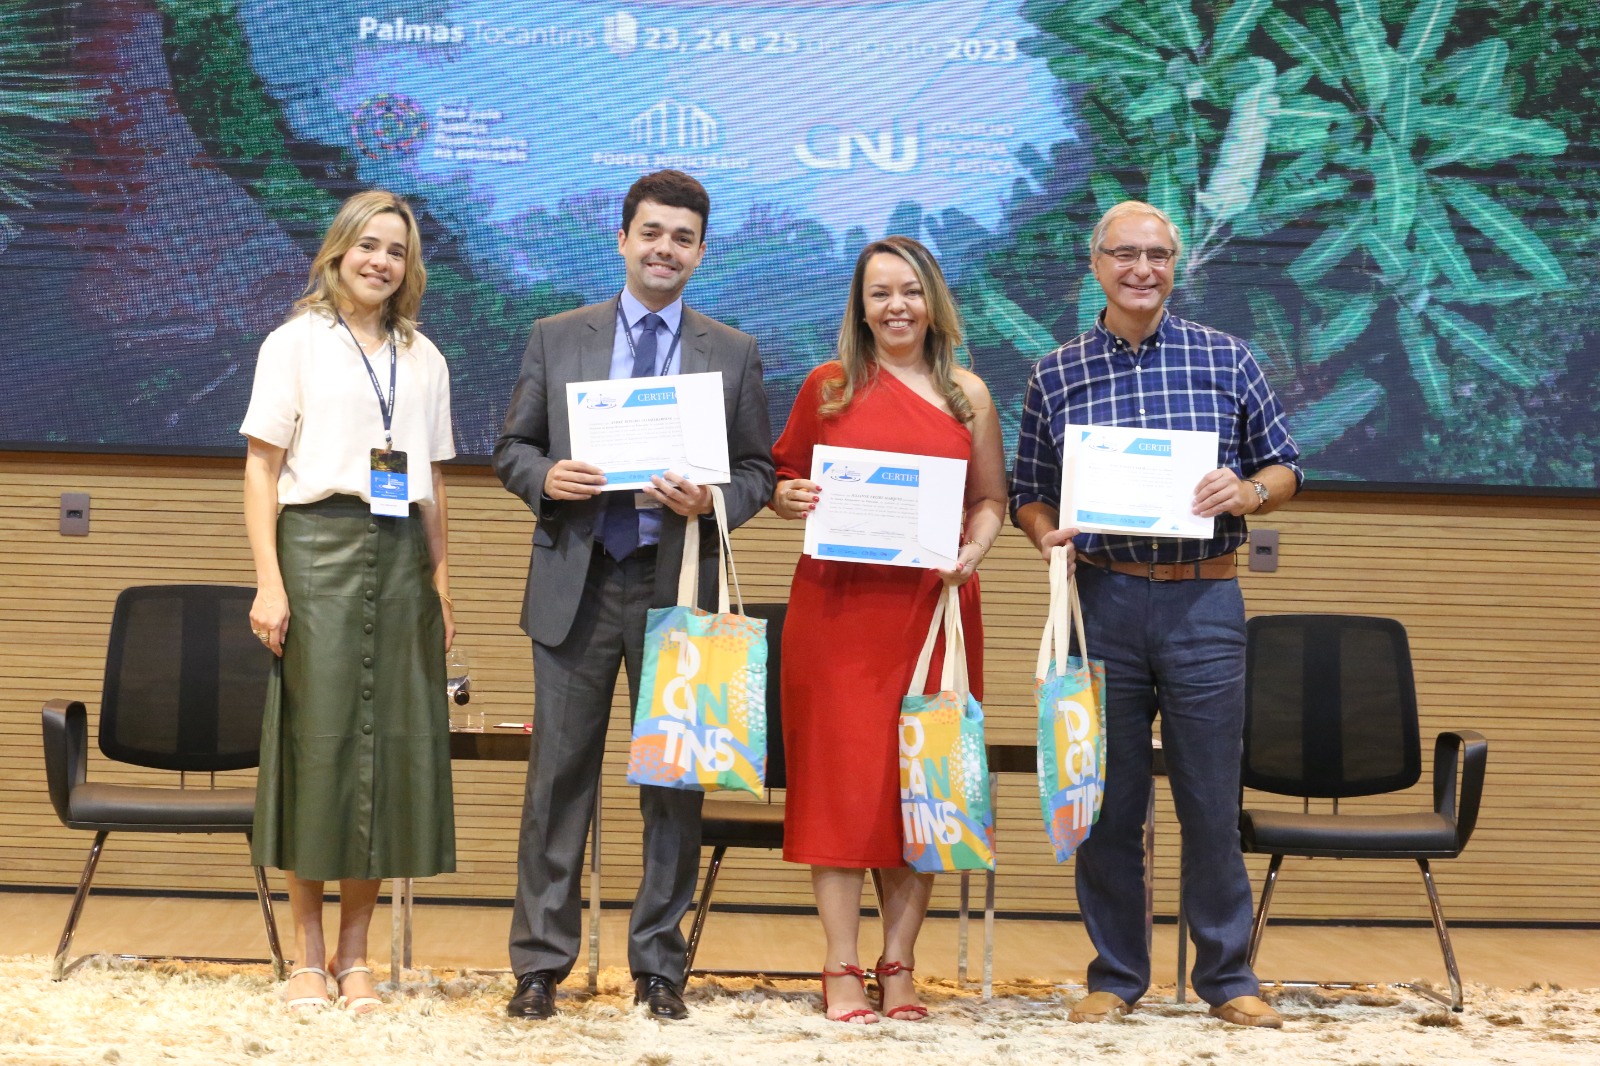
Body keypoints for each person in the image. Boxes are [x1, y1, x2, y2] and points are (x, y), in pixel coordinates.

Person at [1010, 201, 1302, 1028]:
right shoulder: (1054, 372)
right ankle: (1115, 975)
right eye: (1126, 254)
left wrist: (1246, 490)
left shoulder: (1227, 358)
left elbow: (1286, 467)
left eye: (1158, 255)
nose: (1143, 269)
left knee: (1211, 797)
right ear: (1096, 263)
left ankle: (1230, 981)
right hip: (1099, 598)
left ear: (1177, 265)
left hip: (1205, 599)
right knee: (1108, 802)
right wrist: (1045, 535)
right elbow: (1031, 492)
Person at [493, 169, 774, 1022]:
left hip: (675, 589)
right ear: (623, 239)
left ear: (699, 252)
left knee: (672, 785)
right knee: (557, 783)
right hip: (576, 585)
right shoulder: (557, 335)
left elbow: (760, 470)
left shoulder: (732, 351)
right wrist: (552, 476)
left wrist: (714, 502)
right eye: (651, 233)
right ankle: (540, 964)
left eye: (682, 238)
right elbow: (511, 447)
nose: (665, 249)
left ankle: (660, 964)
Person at [768, 236, 1007, 1023]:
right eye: (880, 293)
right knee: (840, 790)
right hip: (836, 615)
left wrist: (971, 553)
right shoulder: (827, 388)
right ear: (860, 307)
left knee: (922, 789)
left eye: (909, 290)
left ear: (933, 300)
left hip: (932, 616)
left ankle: (898, 965)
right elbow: (783, 478)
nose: (896, 306)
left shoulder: (970, 395)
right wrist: (790, 498)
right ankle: (839, 966)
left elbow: (990, 500)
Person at [241, 189, 457, 1013]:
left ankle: (356, 956)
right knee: (319, 748)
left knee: (386, 754)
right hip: (316, 551)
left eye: (396, 250)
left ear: (410, 267)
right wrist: (270, 579)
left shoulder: (425, 357)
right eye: (368, 245)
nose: (381, 262)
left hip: (402, 557)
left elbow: (434, 483)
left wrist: (441, 586)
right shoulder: (293, 344)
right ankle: (305, 957)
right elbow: (262, 468)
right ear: (337, 252)